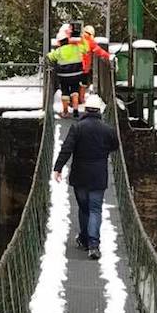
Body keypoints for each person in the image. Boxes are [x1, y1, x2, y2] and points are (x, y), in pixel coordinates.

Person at [53, 94, 119, 260]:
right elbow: (115, 146)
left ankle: (84, 238)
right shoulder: (107, 129)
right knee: (95, 209)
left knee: (84, 208)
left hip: (80, 175)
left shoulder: (77, 127)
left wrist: (58, 168)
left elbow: (67, 148)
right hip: (98, 175)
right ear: (99, 110)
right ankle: (94, 245)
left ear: (86, 109)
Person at [47, 23, 85, 117]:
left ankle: (65, 111)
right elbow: (83, 52)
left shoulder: (59, 51)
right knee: (75, 90)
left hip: (64, 75)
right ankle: (76, 110)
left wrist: (49, 54)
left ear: (60, 42)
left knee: (65, 92)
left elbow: (51, 57)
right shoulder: (76, 48)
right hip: (77, 74)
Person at [79, 24, 110, 105]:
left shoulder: (78, 40)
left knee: (75, 84)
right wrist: (109, 56)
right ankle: (81, 99)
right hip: (84, 67)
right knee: (83, 84)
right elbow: (99, 51)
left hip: (75, 65)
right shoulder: (90, 42)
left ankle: (74, 101)